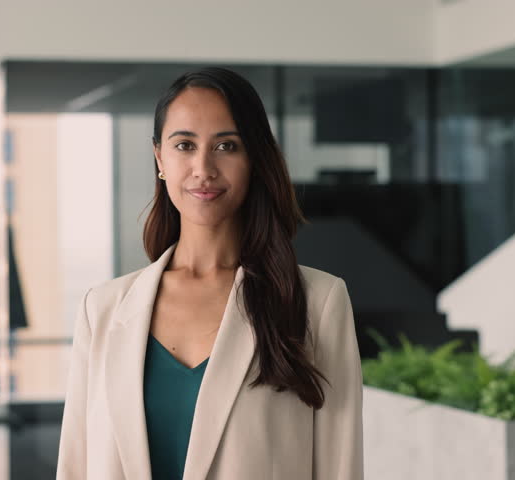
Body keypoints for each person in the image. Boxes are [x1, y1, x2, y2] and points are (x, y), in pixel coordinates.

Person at [56, 67, 363, 480]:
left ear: (254, 159)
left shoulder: (319, 303)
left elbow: (339, 468)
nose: (204, 168)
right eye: (184, 145)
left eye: (226, 146)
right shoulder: (103, 309)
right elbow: (76, 467)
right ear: (159, 158)